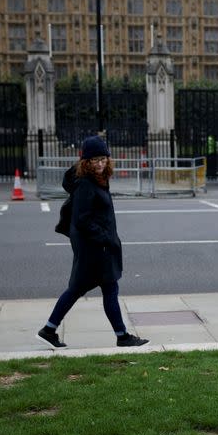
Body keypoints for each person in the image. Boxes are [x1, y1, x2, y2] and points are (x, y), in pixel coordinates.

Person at [36, 135, 149, 349]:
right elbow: (81, 220)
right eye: (95, 160)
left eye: (103, 158)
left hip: (95, 247)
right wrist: (106, 238)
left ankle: (49, 330)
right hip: (95, 248)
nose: (100, 163)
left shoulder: (97, 179)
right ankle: (121, 336)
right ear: (85, 162)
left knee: (86, 289)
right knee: (103, 288)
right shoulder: (86, 184)